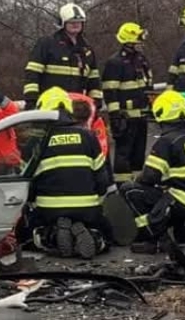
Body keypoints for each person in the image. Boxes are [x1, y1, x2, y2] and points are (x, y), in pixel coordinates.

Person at [18, 86, 114, 259]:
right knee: (106, 235)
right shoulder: (88, 136)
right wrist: (98, 204)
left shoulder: (37, 141)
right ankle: (94, 237)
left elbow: (26, 182)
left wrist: (31, 205)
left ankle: (52, 236)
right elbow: (102, 177)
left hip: (49, 209)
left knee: (26, 236)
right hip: (88, 207)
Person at [122, 90, 185, 252]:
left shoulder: (166, 141)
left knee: (129, 190)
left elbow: (149, 177)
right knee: (184, 239)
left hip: (180, 202)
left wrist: (137, 179)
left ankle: (152, 238)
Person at [23, 3, 103, 115]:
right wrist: (31, 101)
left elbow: (94, 80)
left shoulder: (87, 49)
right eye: (71, 22)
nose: (76, 25)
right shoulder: (47, 44)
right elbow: (32, 74)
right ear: (62, 23)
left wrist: (96, 103)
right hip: (51, 106)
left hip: (77, 109)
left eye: (79, 22)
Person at [102, 22, 153, 176]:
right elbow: (110, 91)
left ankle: (136, 185)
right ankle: (122, 186)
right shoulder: (115, 62)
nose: (140, 44)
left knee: (139, 154)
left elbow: (146, 87)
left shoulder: (141, 60)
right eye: (138, 41)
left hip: (142, 116)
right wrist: (115, 115)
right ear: (129, 42)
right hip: (125, 117)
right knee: (123, 154)